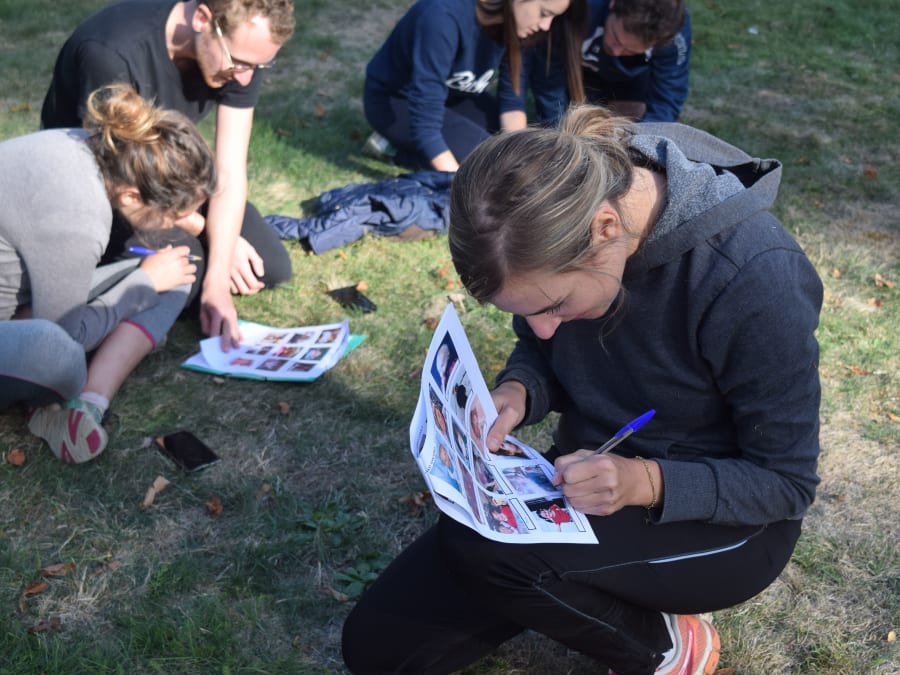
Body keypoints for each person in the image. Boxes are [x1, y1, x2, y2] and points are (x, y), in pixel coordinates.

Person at [342, 105, 823, 674]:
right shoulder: (566, 219)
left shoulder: (752, 278)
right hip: (589, 477)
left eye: (553, 306)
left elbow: (785, 484)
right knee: (378, 651)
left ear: (606, 229)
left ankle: (666, 646)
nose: (541, 327)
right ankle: (569, 585)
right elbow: (542, 346)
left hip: (726, 523)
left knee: (486, 553)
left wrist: (645, 482)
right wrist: (520, 388)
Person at [41, 0, 295, 350]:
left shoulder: (240, 53)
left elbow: (230, 169)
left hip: (169, 182)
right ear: (204, 19)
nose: (246, 77)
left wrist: (218, 280)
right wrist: (209, 233)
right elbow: (121, 184)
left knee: (268, 265)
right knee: (188, 259)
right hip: (105, 193)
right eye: (239, 63)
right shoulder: (112, 51)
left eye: (259, 65)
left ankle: (164, 282)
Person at [1, 84, 216, 464]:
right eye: (172, 214)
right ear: (132, 196)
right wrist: (142, 286)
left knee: (179, 266)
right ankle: (53, 400)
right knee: (60, 355)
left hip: (20, 301)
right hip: (32, 328)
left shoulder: (86, 144)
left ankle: (86, 405)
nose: (178, 223)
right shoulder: (78, 219)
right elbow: (68, 334)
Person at [363, 0, 589, 172]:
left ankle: (402, 149)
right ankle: (398, 148)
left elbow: (512, 101)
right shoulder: (443, 17)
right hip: (396, 102)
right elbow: (425, 122)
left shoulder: (516, 23)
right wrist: (456, 182)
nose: (545, 25)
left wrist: (522, 158)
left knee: (513, 151)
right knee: (489, 162)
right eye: (544, 13)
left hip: (456, 96)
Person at [529, 0, 691, 124]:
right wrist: (557, 127)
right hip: (576, 70)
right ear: (613, 4)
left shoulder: (671, 34)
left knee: (629, 124)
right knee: (574, 122)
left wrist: (644, 146)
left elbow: (666, 100)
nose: (616, 51)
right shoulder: (583, 6)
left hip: (631, 77)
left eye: (630, 50)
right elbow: (548, 75)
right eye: (615, 38)